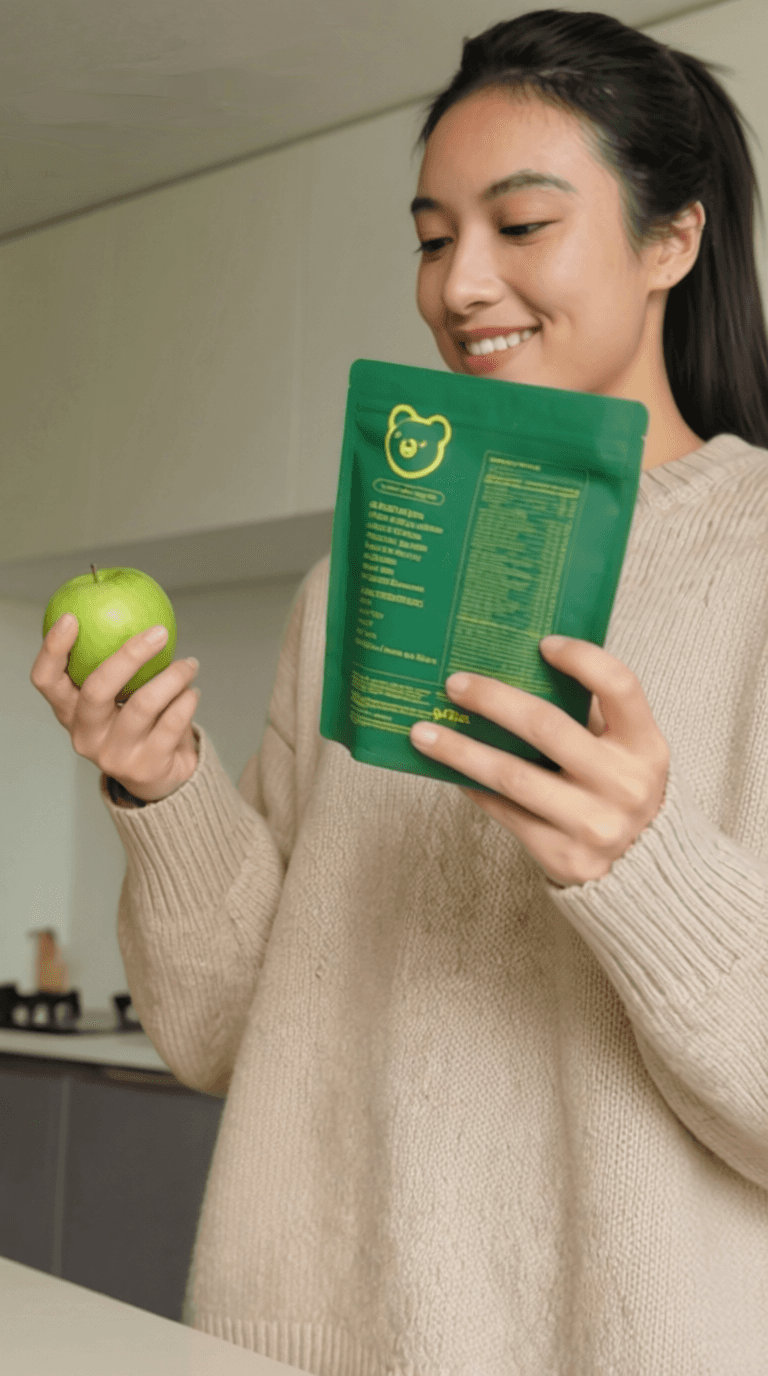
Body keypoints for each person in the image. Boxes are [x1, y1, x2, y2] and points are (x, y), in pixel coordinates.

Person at [30, 9, 768, 1372]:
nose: (459, 285)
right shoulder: (353, 580)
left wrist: (640, 867)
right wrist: (164, 786)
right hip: (298, 1337)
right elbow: (224, 1034)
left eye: (521, 224)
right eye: (433, 238)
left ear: (674, 240)